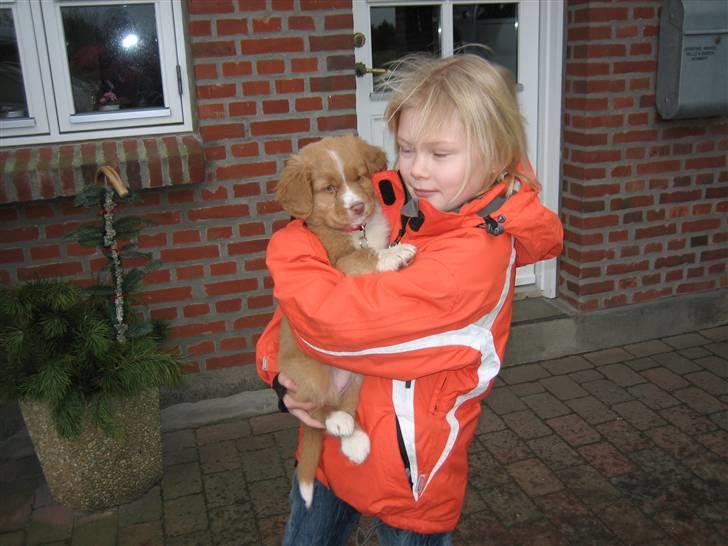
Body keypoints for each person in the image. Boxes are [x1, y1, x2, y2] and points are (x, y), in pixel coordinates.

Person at [256, 53, 564, 545]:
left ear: (495, 152)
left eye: (440, 154)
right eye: (406, 148)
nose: (416, 169)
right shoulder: (403, 202)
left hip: (406, 478)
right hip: (337, 441)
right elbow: (296, 307)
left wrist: (287, 248)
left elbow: (331, 322)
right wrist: (280, 374)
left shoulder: (473, 261)